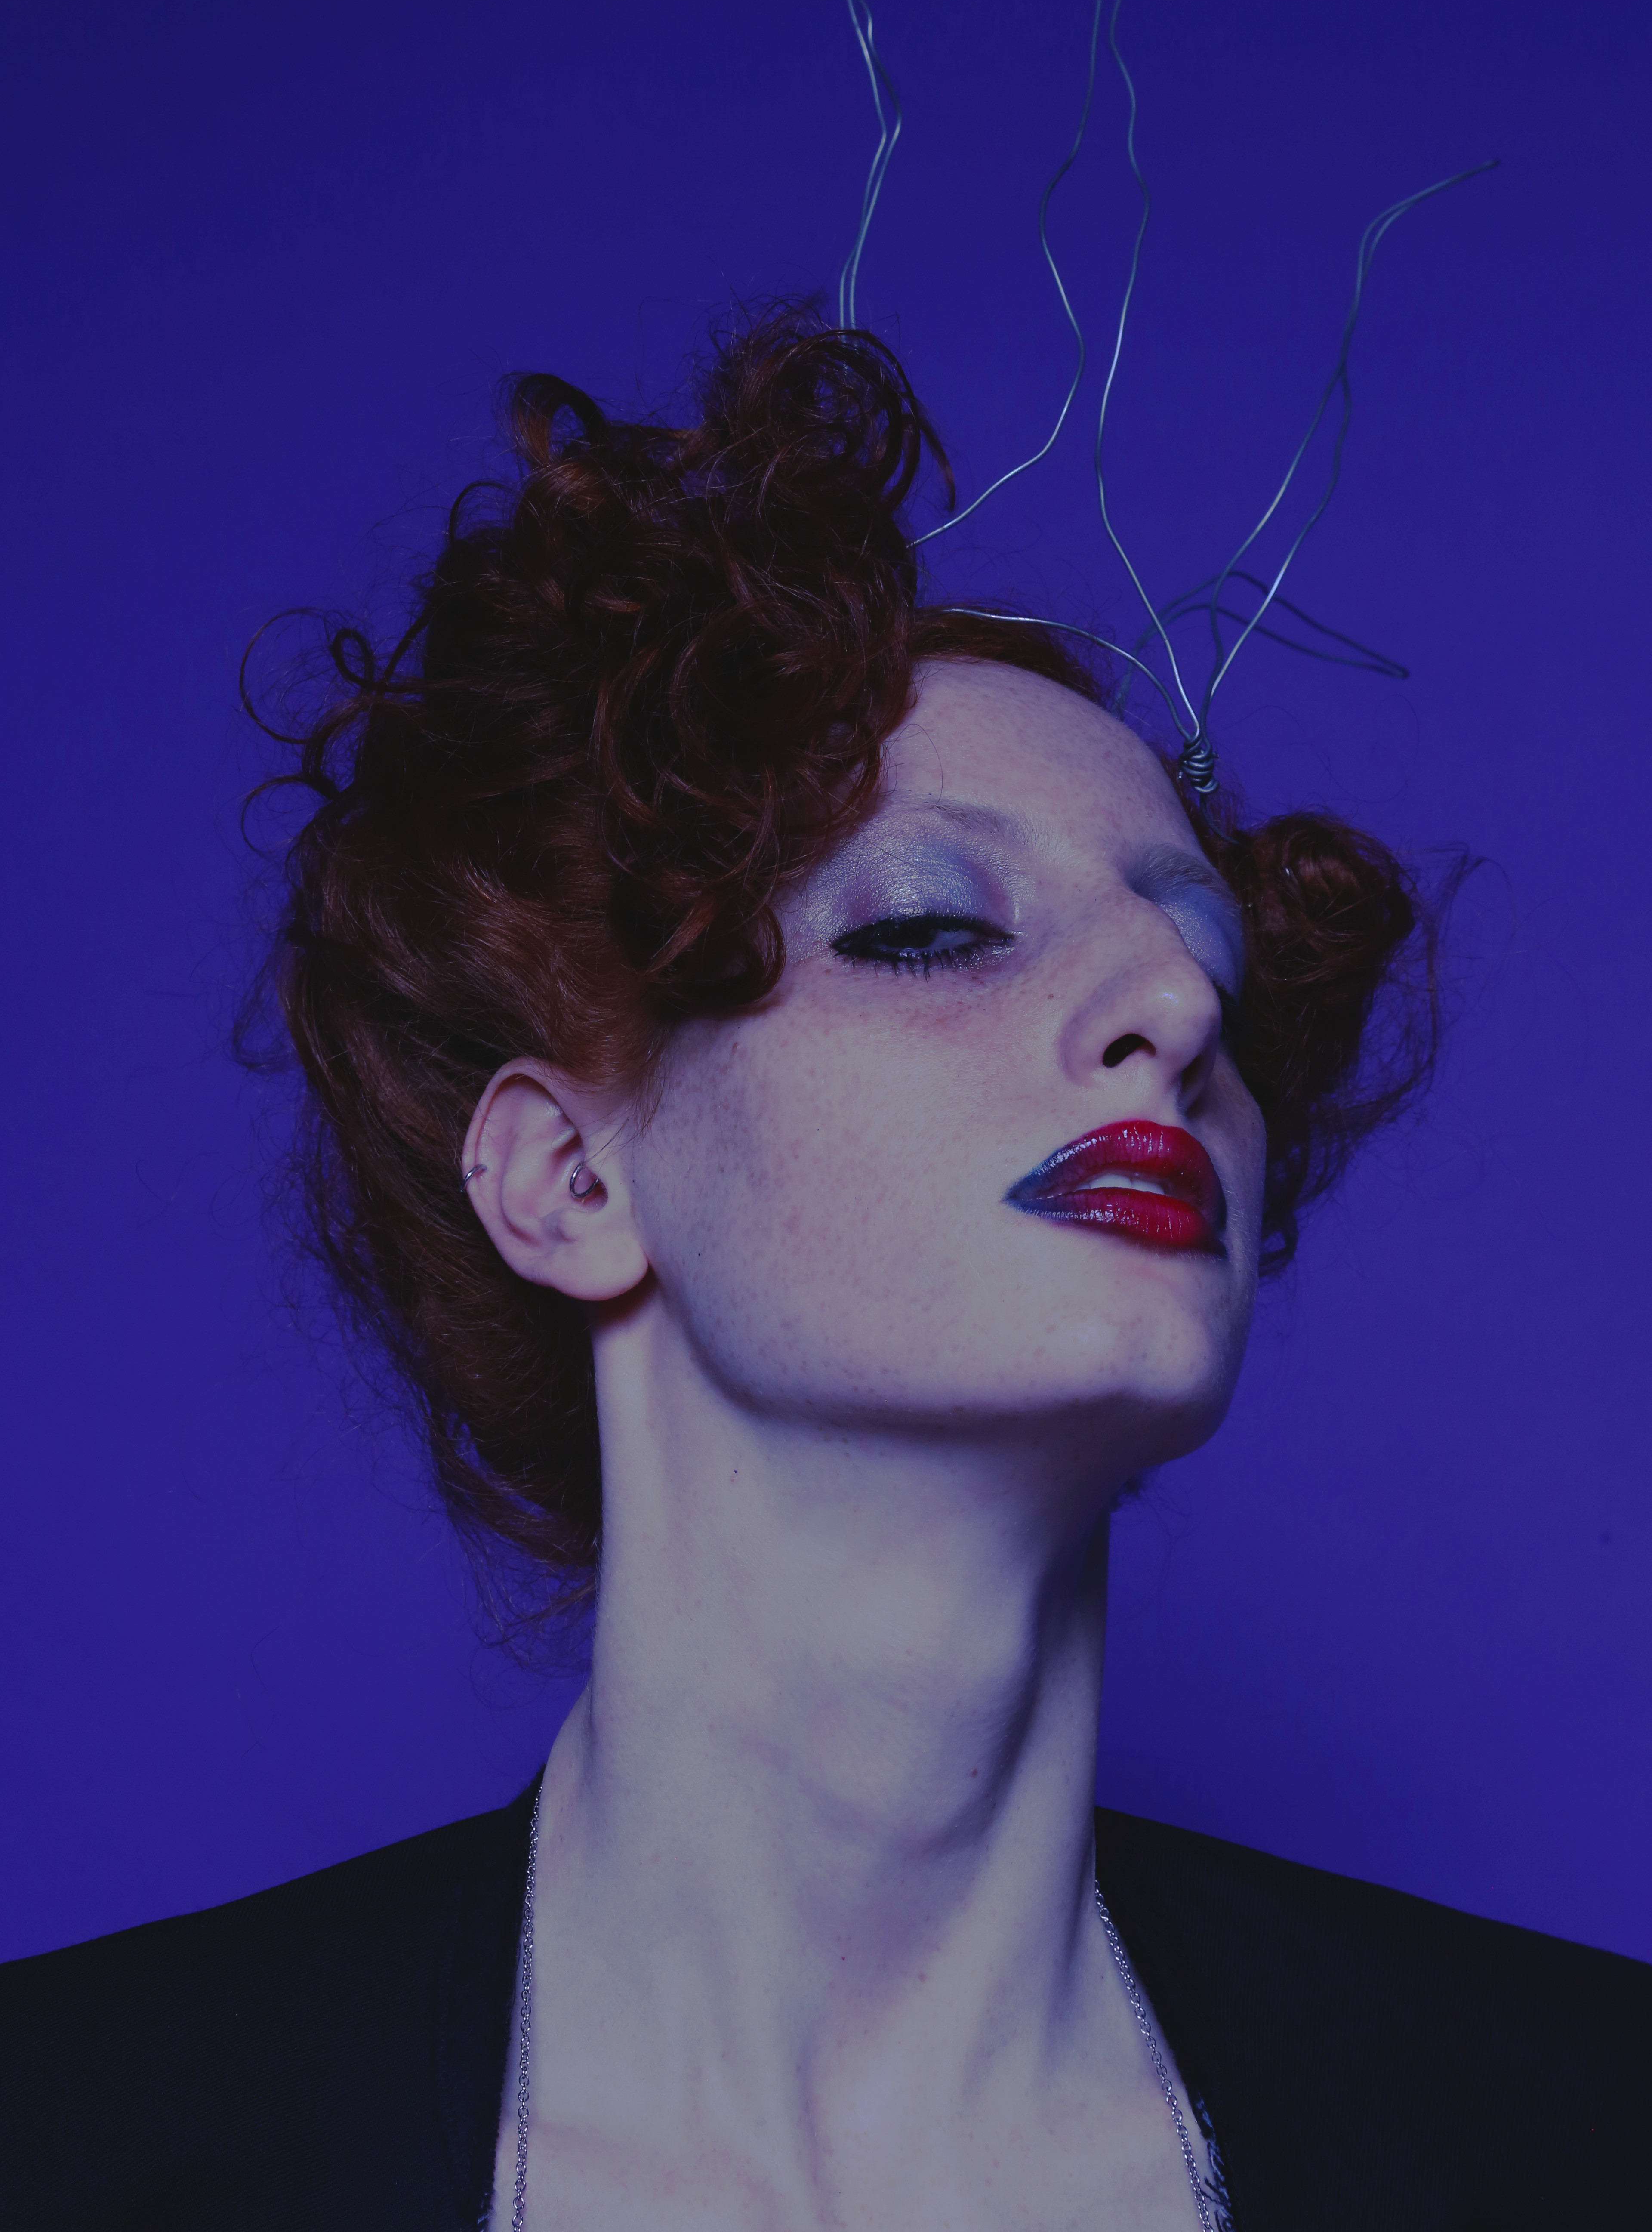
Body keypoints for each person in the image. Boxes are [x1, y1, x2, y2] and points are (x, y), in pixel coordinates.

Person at [2, 311, 1646, 2230]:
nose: (1179, 1005)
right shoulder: (73, 2143)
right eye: (935, 928)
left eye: (1198, 939)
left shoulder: (1588, 2136)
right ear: (568, 1177)